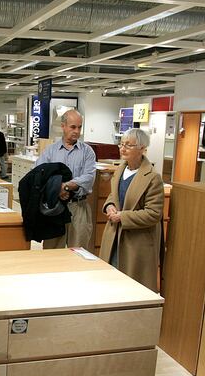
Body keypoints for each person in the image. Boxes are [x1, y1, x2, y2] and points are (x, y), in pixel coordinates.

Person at [100, 128, 164, 292]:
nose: (123, 148)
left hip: (136, 242)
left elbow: (153, 214)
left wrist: (123, 217)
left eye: (129, 145)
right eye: (121, 144)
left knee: (130, 287)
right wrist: (110, 206)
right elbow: (114, 195)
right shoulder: (121, 169)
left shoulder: (152, 177)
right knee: (110, 281)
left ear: (142, 148)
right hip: (114, 235)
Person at [34, 110, 96, 249]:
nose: (77, 131)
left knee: (79, 252)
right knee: (53, 251)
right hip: (55, 208)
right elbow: (39, 174)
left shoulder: (87, 152)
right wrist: (57, 189)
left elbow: (88, 177)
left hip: (78, 207)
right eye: (73, 127)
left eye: (79, 127)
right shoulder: (51, 151)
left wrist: (65, 186)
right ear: (63, 126)